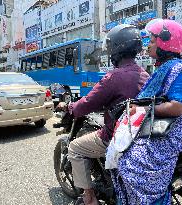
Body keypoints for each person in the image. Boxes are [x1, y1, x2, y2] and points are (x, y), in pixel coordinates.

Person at [111, 19, 182, 204]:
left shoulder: (178, 69)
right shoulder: (164, 68)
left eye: (152, 41)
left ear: (165, 42)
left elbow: (179, 106)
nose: (148, 45)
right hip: (166, 125)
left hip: (179, 129)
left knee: (132, 163)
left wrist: (144, 109)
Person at [57, 24, 149, 205]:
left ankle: (89, 198)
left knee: (75, 147)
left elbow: (86, 104)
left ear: (115, 49)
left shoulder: (113, 77)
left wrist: (69, 107)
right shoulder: (145, 74)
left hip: (118, 137)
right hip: (142, 134)